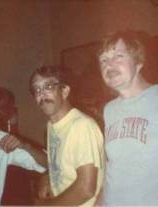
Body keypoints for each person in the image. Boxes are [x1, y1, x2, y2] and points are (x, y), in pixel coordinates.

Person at [97, 30, 158, 205]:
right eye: (103, 60)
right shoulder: (109, 110)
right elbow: (112, 169)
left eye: (118, 56)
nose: (109, 65)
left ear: (138, 62)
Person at [29, 65, 105, 206]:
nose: (42, 95)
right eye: (37, 90)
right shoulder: (52, 126)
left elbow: (85, 189)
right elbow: (61, 165)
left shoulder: (82, 126)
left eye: (49, 87)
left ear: (64, 91)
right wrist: (48, 176)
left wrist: (46, 205)